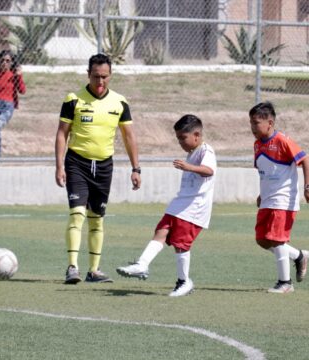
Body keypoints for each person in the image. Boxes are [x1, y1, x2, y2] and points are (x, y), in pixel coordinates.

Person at [55, 53, 141, 284]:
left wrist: (136, 168)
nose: (100, 82)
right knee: (77, 215)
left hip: (104, 166)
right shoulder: (73, 99)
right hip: (77, 163)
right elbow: (62, 133)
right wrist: (59, 166)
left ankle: (94, 270)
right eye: (96, 77)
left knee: (97, 219)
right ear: (88, 74)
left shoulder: (120, 102)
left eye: (104, 77)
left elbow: (129, 136)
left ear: (110, 75)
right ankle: (72, 267)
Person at [117, 114, 216, 297]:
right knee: (161, 231)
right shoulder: (192, 152)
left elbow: (209, 170)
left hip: (194, 207)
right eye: (178, 138)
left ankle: (184, 281)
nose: (180, 142)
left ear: (196, 134)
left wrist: (189, 167)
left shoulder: (206, 151)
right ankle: (142, 264)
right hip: (180, 203)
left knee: (181, 244)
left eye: (182, 138)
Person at [249, 101, 309, 294]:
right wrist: (261, 193)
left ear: (270, 123)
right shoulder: (258, 145)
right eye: (251, 123)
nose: (253, 127)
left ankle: (285, 283)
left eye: (256, 123)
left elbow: (305, 159)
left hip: (283, 199)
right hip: (268, 199)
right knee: (262, 239)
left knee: (276, 239)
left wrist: (308, 186)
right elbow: (266, 171)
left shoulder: (282, 141)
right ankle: (299, 256)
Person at [0, 49, 26, 166]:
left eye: (8, 61)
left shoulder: (14, 74)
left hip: (7, 106)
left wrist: (19, 76)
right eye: (2, 60)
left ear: (12, 62)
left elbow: (22, 91)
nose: (5, 63)